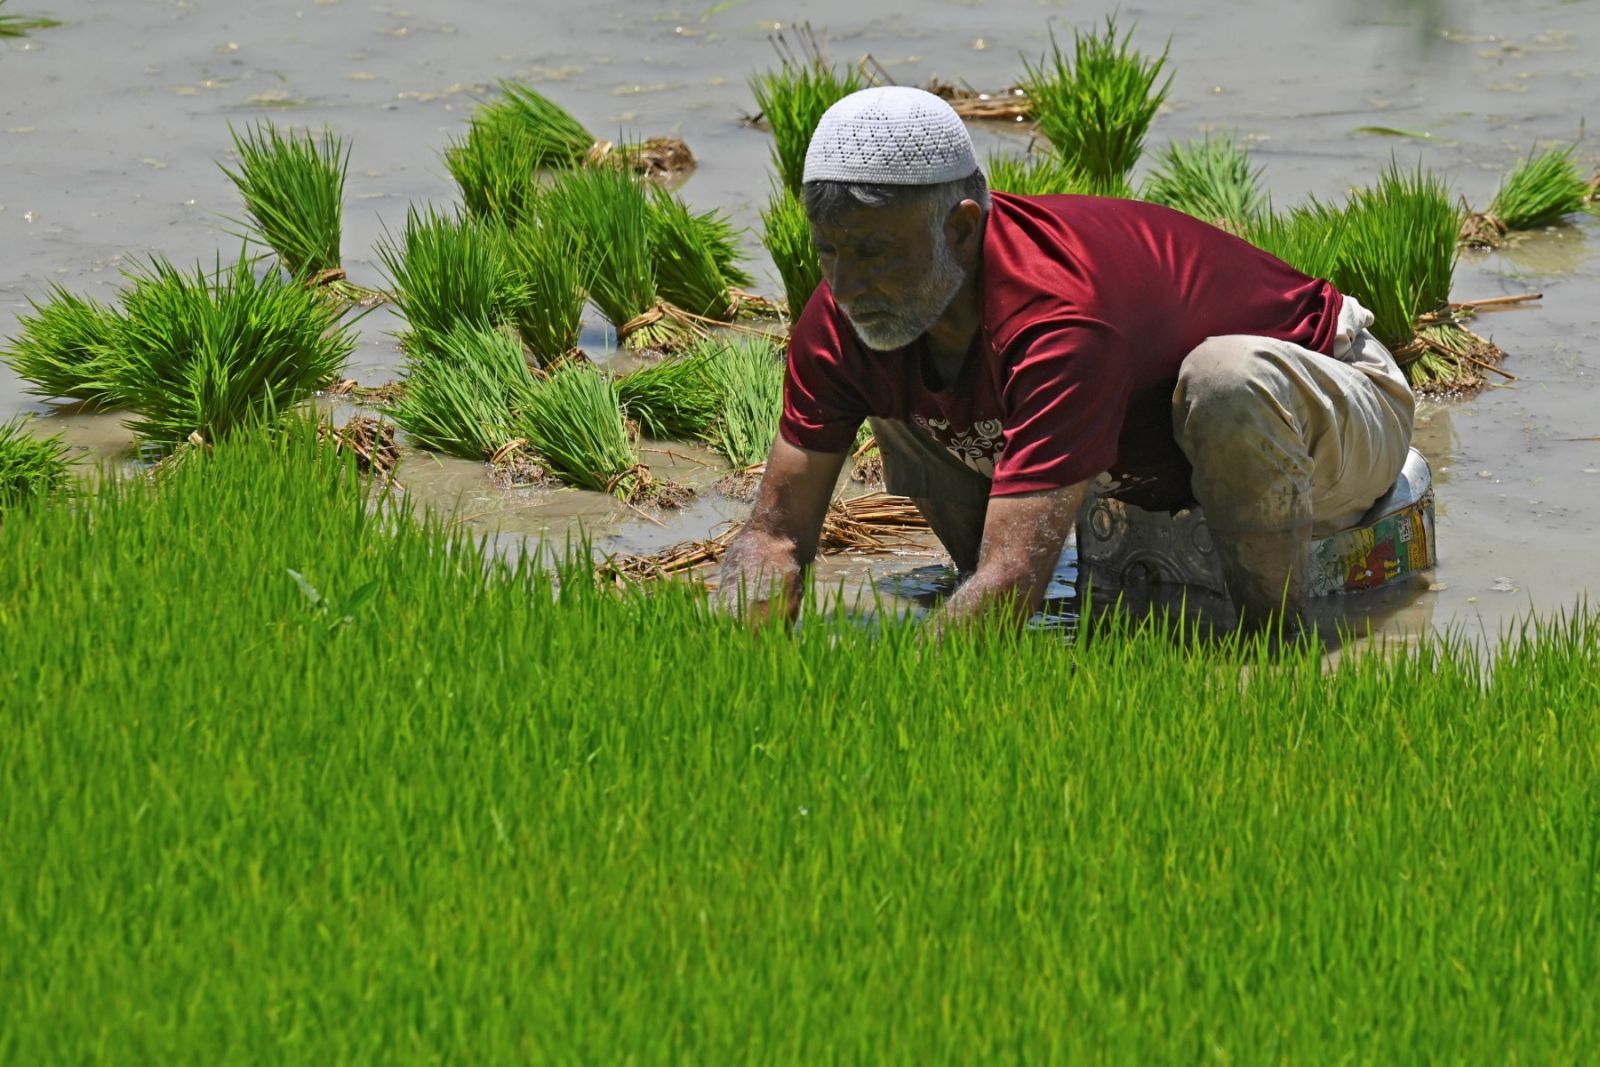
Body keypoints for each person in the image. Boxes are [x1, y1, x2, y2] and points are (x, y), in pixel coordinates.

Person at [715, 85, 1414, 633]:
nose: (846, 283)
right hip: (1151, 458)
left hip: (1338, 400)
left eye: (874, 253)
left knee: (1225, 381)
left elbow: (1012, 576)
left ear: (961, 229)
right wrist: (736, 668)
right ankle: (991, 615)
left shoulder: (1058, 315)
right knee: (891, 364)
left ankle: (1274, 647)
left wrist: (897, 700)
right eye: (828, 250)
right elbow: (774, 535)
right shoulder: (845, 316)